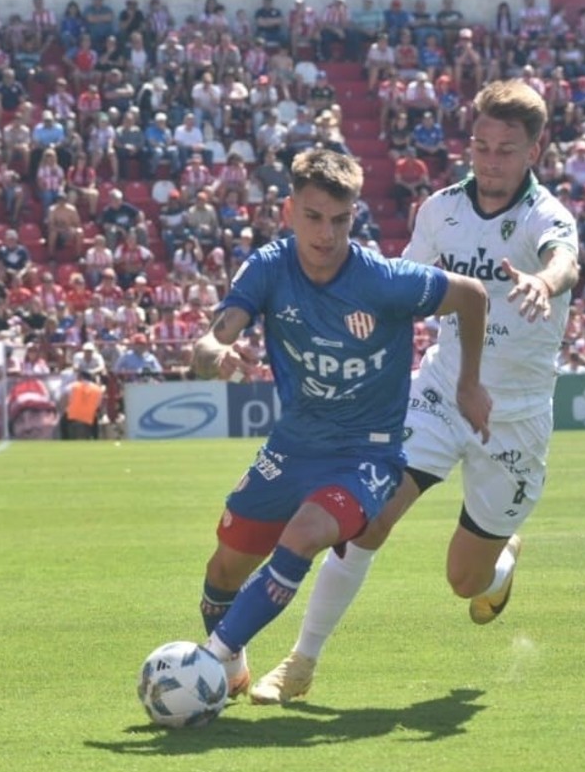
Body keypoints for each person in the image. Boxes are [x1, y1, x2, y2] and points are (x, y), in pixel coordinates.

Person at [254, 80, 579, 704]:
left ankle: (502, 558)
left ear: (533, 153)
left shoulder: (547, 216)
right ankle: (300, 661)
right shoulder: (439, 212)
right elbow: (405, 291)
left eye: (506, 150)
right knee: (366, 520)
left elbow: (564, 258)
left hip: (514, 417)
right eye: (481, 146)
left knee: (466, 582)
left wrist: (544, 279)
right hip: (440, 391)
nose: (490, 161)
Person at [191, 148, 490, 696]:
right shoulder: (267, 267)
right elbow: (216, 335)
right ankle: (229, 668)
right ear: (288, 211)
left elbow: (472, 295)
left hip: (365, 454)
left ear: (355, 216)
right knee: (221, 575)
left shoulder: (383, 279)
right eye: (313, 217)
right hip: (292, 446)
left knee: (306, 533)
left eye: (340, 220)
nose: (326, 233)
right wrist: (214, 354)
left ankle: (204, 664)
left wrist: (469, 383)